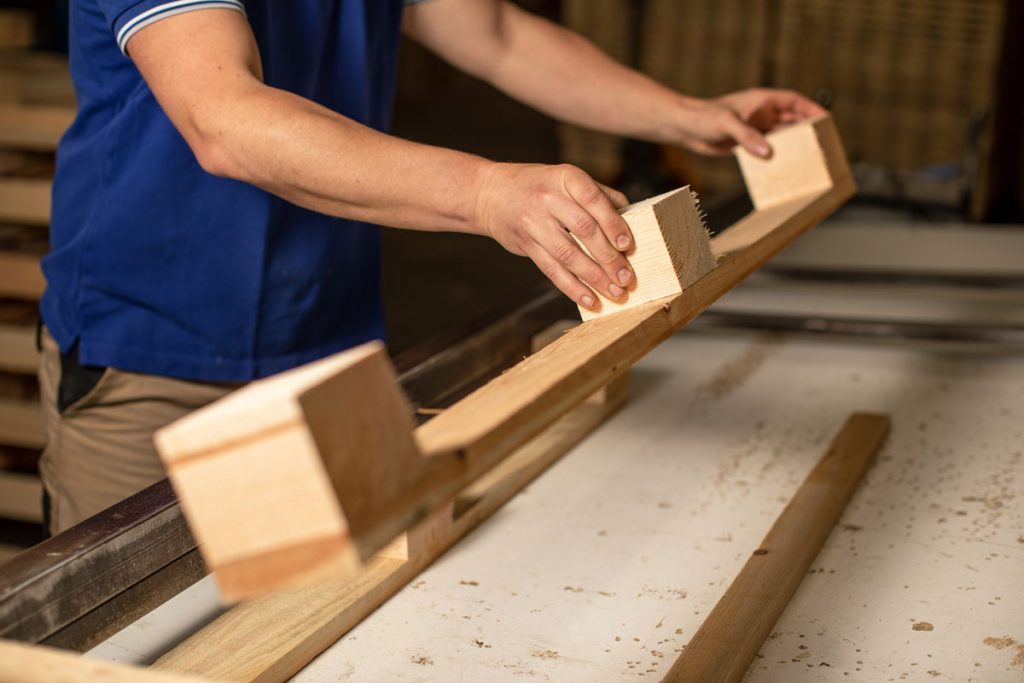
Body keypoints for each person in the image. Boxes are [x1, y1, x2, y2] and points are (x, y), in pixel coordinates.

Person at [39, 0, 824, 534]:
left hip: (327, 343)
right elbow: (226, 120)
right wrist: (485, 192)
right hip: (147, 353)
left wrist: (685, 115)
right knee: (136, 642)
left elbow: (497, 36)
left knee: (323, 623)